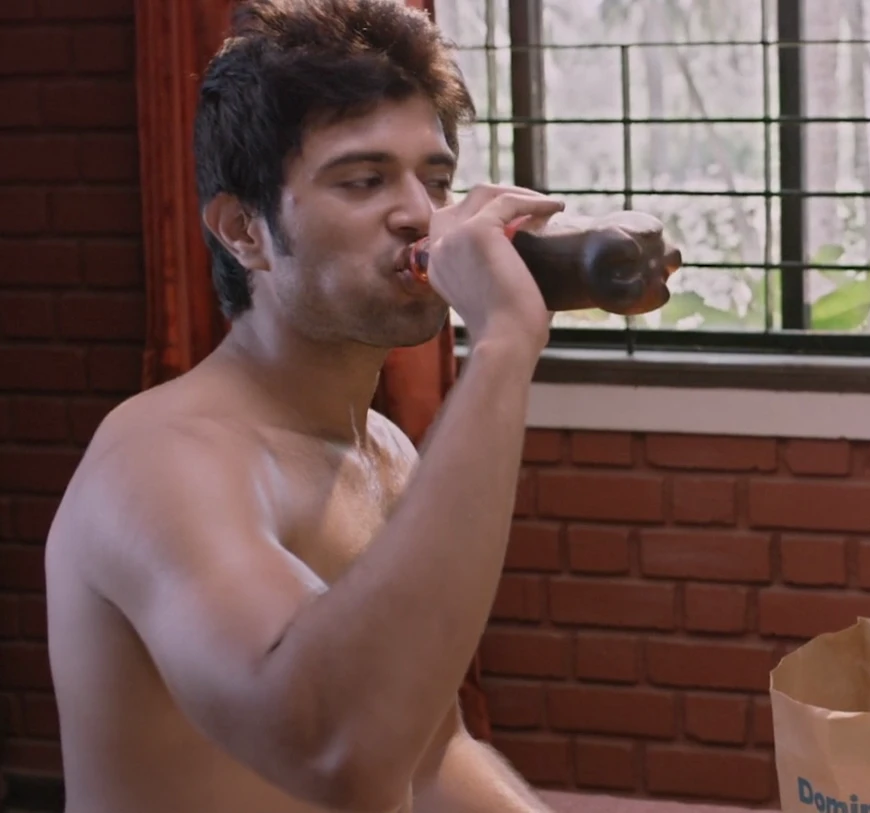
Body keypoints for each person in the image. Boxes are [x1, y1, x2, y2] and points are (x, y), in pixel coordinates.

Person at [44, 1, 566, 810]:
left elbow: (429, 756)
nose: (419, 214)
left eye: (435, 180)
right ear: (244, 231)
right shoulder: (161, 459)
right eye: (364, 180)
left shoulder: (385, 447)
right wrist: (501, 346)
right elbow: (336, 750)